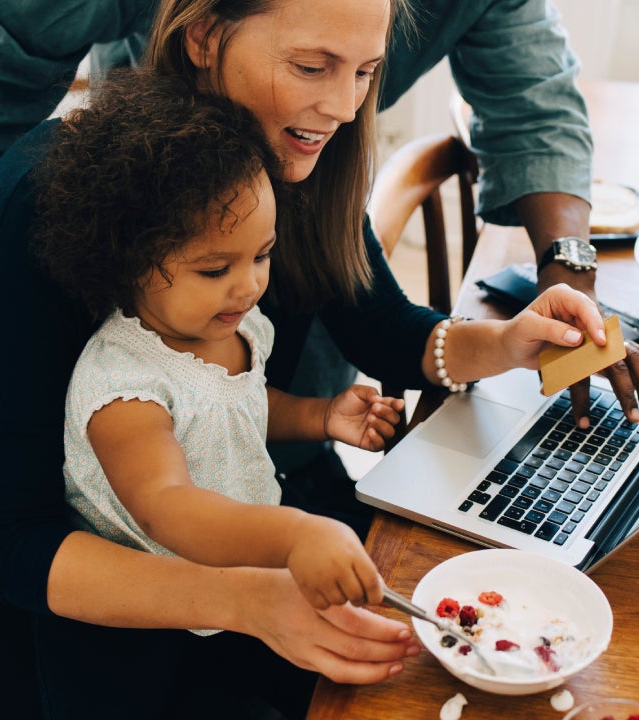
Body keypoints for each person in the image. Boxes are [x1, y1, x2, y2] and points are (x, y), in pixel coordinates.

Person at [0, 1, 639, 718]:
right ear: (204, 36)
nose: (345, 108)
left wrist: (512, 339)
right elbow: (9, 546)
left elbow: (390, 336)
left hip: (234, 550)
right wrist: (251, 598)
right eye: (313, 65)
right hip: (36, 625)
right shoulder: (39, 198)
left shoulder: (289, 154)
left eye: (364, 72)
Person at [38, 69, 402, 615]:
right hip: (170, 619)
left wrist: (322, 416)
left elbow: (239, 407)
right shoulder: (124, 389)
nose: (250, 285)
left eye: (261, 256)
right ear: (127, 262)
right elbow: (168, 507)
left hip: (251, 573)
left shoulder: (232, 325)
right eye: (213, 270)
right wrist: (293, 535)